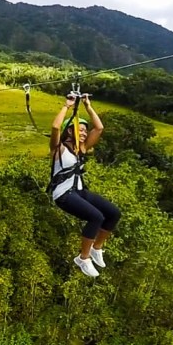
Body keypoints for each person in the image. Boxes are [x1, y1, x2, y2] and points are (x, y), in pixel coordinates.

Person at [49, 94, 121, 277]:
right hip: (64, 195)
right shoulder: (59, 149)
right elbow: (55, 127)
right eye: (79, 130)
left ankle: (97, 248)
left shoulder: (81, 149)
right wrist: (67, 106)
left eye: (84, 131)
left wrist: (88, 106)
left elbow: (99, 128)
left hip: (79, 192)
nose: (83, 133)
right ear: (69, 131)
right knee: (96, 217)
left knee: (113, 213)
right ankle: (83, 258)